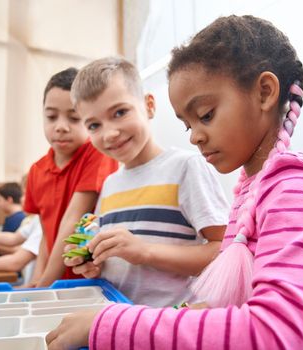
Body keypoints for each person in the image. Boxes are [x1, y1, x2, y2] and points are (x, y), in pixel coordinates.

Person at [46, 15, 303, 350]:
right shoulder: (252, 191)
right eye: (186, 125)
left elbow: (282, 334)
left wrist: (113, 324)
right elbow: (235, 302)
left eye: (205, 115)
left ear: (264, 92)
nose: (195, 137)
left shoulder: (295, 189)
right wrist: (184, 314)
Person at [63, 56, 228, 307]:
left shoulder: (185, 167)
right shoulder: (109, 185)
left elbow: (224, 252)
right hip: (118, 320)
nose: (110, 133)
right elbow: (115, 262)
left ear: (149, 105)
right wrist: (94, 263)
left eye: (120, 112)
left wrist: (145, 251)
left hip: (169, 327)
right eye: (94, 125)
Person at [23, 68, 118, 288]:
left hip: (90, 282)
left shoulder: (97, 152)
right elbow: (46, 235)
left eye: (74, 118)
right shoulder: (37, 170)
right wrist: (38, 279)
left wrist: (46, 282)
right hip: (52, 282)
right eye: (51, 116)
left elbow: (74, 217)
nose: (61, 127)